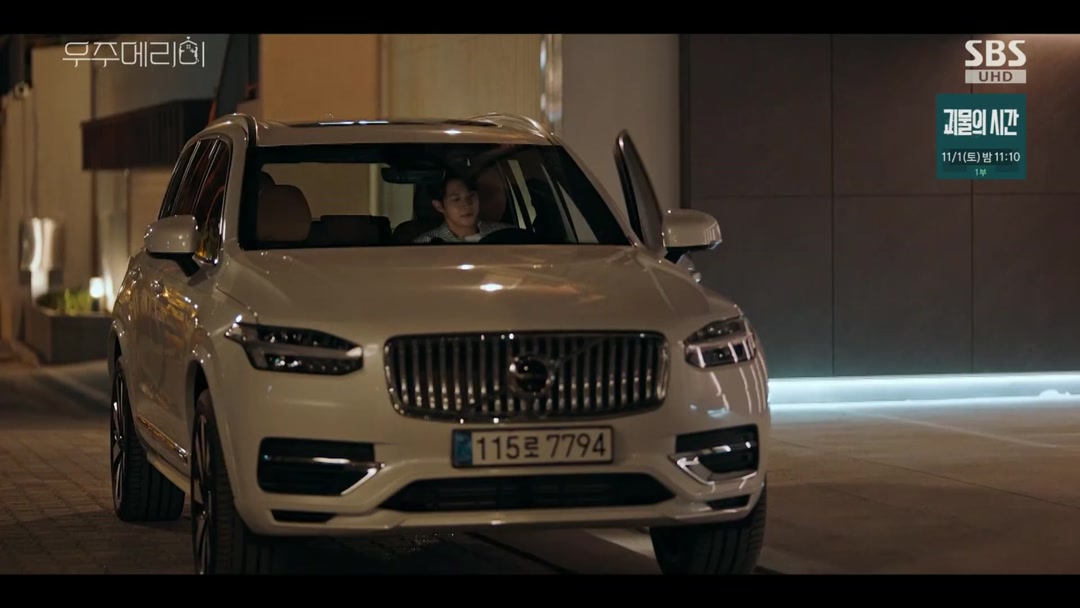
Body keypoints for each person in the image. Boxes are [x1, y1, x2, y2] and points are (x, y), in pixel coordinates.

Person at [413, 172, 514, 243]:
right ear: (439, 206)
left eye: (471, 196)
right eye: (456, 199)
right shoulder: (424, 245)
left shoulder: (508, 235)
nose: (467, 205)